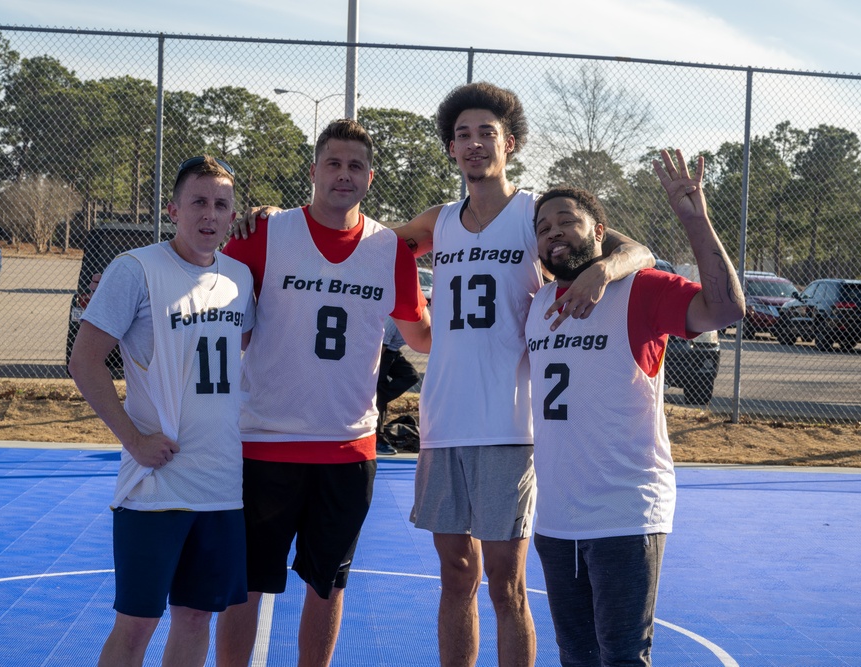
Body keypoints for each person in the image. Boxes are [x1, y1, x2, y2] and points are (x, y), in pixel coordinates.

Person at [233, 83, 654, 666]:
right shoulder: (439, 223)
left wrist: (604, 268)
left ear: (510, 143)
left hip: (507, 425)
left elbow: (640, 250)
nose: (475, 143)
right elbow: (355, 233)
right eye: (462, 135)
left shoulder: (535, 218)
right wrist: (277, 217)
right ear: (450, 150)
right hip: (443, 422)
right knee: (455, 577)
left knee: (506, 586)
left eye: (486, 133)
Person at [214, 119, 431, 667]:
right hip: (264, 441)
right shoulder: (263, 233)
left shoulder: (390, 250)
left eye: (355, 165)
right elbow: (226, 326)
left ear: (371, 177)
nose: (343, 174)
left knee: (327, 586)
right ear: (313, 171)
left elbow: (422, 336)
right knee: (243, 585)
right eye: (333, 163)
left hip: (347, 446)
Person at [525, 153, 745, 666]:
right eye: (542, 227)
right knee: (575, 655)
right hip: (556, 517)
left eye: (567, 222)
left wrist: (695, 219)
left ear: (601, 231)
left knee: (622, 656)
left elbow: (727, 309)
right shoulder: (537, 304)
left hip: (624, 513)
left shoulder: (640, 290)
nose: (554, 232)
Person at [68, 155, 255, 667]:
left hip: (220, 484)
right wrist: (133, 439)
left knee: (196, 618)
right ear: (173, 209)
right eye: (198, 202)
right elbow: (83, 360)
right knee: (136, 624)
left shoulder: (240, 278)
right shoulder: (137, 269)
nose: (209, 214)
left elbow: (236, 349)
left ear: (231, 214)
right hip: (156, 484)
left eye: (221, 204)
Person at [376, 315, 422, 455]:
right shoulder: (393, 319)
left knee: (411, 376)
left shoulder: (422, 319)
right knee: (378, 388)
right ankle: (378, 439)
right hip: (379, 353)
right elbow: (380, 348)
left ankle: (374, 399)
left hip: (393, 352)